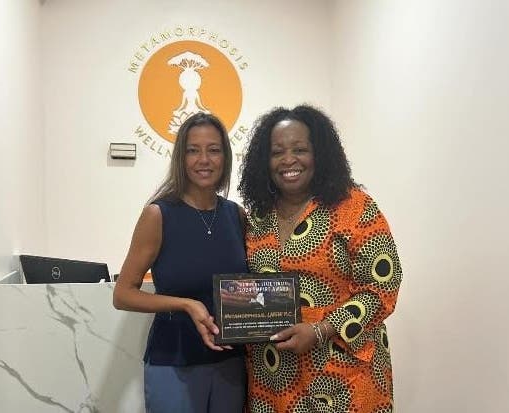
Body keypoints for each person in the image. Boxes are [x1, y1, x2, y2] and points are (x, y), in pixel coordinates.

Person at [238, 105, 402, 413]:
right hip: (274, 377)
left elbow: (384, 285)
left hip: (342, 373)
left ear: (320, 154)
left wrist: (321, 329)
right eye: (277, 152)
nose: (288, 160)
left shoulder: (355, 207)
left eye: (300, 149)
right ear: (264, 161)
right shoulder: (258, 216)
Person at [113, 112, 247, 413]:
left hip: (231, 363)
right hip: (174, 360)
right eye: (193, 150)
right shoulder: (158, 215)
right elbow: (122, 294)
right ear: (181, 158)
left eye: (213, 150)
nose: (204, 159)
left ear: (225, 157)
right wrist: (186, 304)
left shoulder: (236, 215)